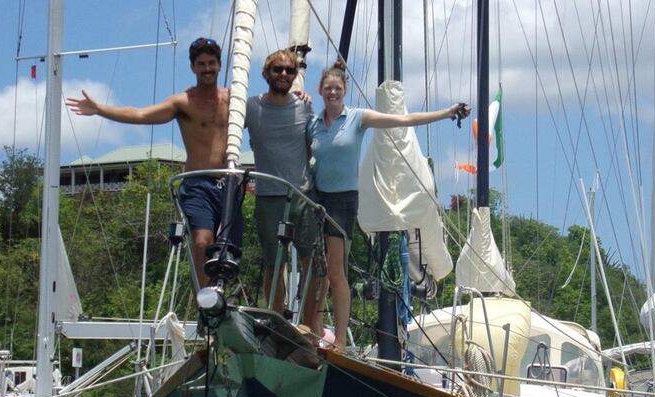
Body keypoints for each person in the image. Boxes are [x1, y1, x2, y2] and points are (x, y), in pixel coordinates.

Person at [309, 60, 470, 347]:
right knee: (316, 269)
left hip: (342, 201)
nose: (332, 92)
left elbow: (403, 121)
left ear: (344, 90)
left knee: (335, 271)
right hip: (316, 197)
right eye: (327, 88)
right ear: (320, 90)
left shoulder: (357, 118)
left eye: (337, 88)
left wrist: (447, 113)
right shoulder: (314, 124)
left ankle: (341, 341)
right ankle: (315, 327)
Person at [66, 37, 239, 290]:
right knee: (203, 242)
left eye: (211, 63)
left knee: (228, 253)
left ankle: (225, 301)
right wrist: (100, 109)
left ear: (220, 65)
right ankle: (206, 305)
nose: (207, 69)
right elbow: (140, 114)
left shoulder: (235, 100)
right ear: (192, 67)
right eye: (201, 64)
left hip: (229, 184)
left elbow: (269, 110)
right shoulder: (183, 102)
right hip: (197, 183)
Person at [244, 49, 321, 329]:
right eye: (278, 69)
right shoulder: (252, 107)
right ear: (266, 73)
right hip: (268, 195)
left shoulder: (304, 106)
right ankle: (276, 321)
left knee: (310, 261)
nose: (284, 74)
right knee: (273, 264)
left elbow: (318, 142)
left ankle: (310, 329)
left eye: (290, 70)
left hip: (302, 194)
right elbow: (222, 129)